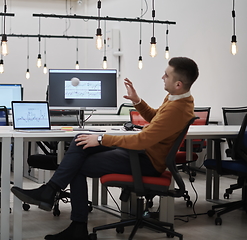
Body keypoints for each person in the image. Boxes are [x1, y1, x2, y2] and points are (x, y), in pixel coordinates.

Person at [11, 57, 199, 240]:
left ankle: (74, 222)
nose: (162, 77)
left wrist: (100, 139)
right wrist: (137, 100)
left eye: (166, 75)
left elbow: (142, 140)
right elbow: (155, 117)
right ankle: (51, 193)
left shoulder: (178, 108)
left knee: (77, 165)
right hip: (142, 153)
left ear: (178, 84)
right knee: (80, 140)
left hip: (146, 161)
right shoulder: (175, 98)